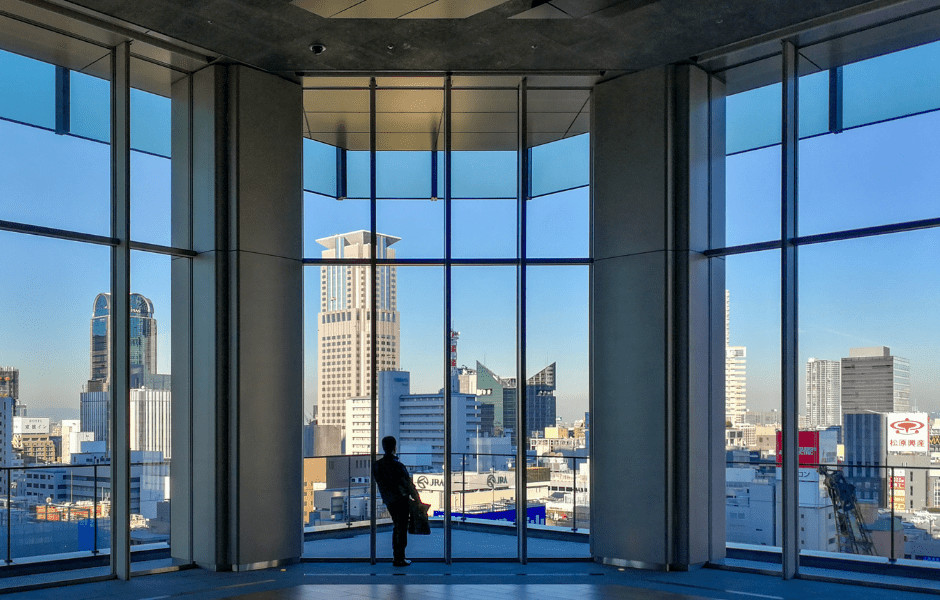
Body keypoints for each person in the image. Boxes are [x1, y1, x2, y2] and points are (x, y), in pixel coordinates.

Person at [372, 435, 420, 566]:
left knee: (397, 527)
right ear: (394, 448)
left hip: (389, 500)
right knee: (401, 528)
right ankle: (399, 558)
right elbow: (409, 485)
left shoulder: (377, 466)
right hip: (401, 500)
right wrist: (417, 500)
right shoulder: (398, 466)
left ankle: (397, 557)